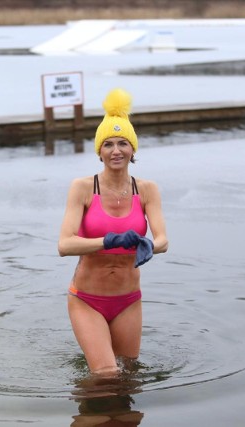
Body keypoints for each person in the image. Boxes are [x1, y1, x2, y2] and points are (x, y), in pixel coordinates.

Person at [57, 88, 169, 376]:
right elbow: (65, 244)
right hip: (87, 298)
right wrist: (107, 241)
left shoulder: (147, 190)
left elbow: (163, 240)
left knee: (129, 376)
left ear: (133, 150)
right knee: (107, 374)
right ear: (99, 151)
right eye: (108, 144)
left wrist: (147, 244)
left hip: (128, 299)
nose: (116, 150)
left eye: (123, 143)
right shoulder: (82, 188)